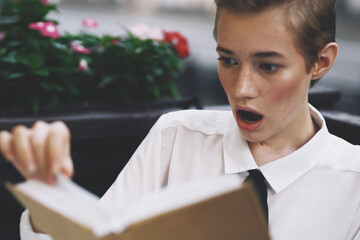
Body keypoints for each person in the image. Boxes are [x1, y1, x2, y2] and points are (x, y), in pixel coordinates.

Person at [1, 0, 360, 239]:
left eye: (268, 66)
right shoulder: (175, 138)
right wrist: (50, 202)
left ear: (321, 62)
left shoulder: (353, 185)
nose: (242, 89)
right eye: (228, 60)